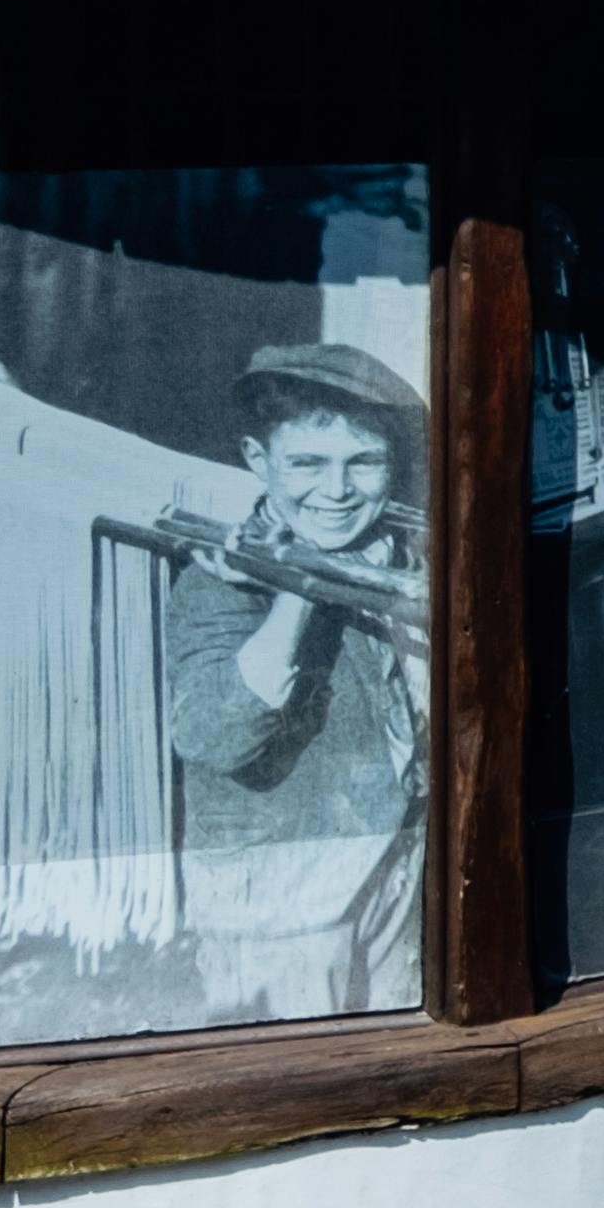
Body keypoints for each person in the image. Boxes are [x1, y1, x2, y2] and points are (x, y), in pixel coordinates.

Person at [158, 340, 428, 1008]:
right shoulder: (217, 584)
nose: (336, 492)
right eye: (307, 463)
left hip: (393, 867)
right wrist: (298, 589)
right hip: (278, 907)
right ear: (259, 461)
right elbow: (215, 737)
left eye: (363, 463)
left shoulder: (395, 559)